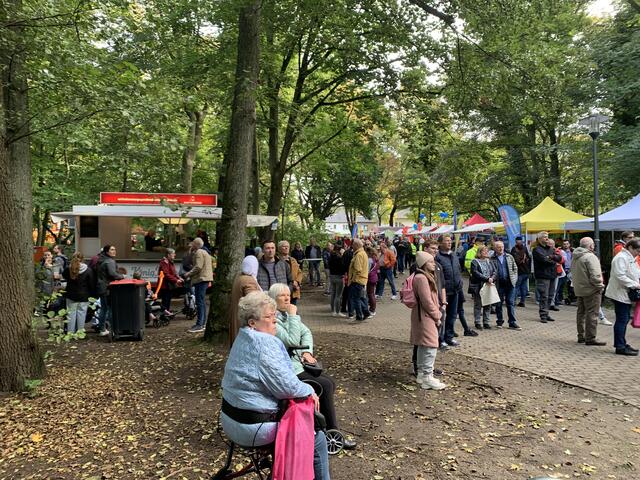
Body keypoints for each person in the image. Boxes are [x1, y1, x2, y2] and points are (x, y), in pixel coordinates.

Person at [220, 292, 330, 479]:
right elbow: (287, 387)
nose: (275, 320)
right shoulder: (264, 343)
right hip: (252, 427)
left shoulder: (242, 337)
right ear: (252, 322)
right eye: (269, 316)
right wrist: (309, 390)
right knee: (317, 438)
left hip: (229, 419)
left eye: (275, 314)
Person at [269, 284, 356, 450]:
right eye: (282, 296)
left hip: (298, 364)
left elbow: (306, 332)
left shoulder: (286, 316)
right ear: (273, 299)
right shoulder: (274, 321)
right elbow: (293, 340)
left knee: (329, 382)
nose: (287, 298)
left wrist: (307, 352)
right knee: (325, 385)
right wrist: (293, 316)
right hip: (289, 370)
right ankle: (331, 432)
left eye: (288, 295)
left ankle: (318, 426)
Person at [410, 251, 446, 390]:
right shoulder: (422, 278)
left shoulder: (424, 276)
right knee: (431, 346)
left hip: (423, 316)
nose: (434, 264)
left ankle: (422, 375)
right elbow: (427, 301)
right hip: (425, 316)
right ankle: (427, 377)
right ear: (424, 264)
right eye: (430, 262)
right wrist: (437, 315)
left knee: (423, 345)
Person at [605, 238, 640, 356]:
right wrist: (635, 284)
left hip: (625, 293)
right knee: (622, 319)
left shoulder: (630, 258)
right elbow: (620, 275)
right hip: (619, 294)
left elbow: (635, 272)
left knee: (624, 319)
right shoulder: (621, 258)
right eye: (637, 250)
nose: (638, 253)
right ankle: (620, 346)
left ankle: (622, 343)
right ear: (630, 247)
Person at [572, 237, 606, 346]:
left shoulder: (575, 256)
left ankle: (581, 335)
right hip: (591, 290)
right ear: (591, 246)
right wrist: (600, 286)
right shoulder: (591, 257)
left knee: (580, 313)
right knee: (592, 314)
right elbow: (595, 275)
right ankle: (590, 337)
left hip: (579, 288)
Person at [435, 235, 464, 347]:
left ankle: (449, 337)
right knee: (441, 315)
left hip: (455, 290)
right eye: (446, 241)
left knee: (452, 315)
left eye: (450, 241)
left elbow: (458, 270)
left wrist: (460, 282)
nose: (449, 242)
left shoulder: (454, 255)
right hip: (443, 291)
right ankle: (440, 339)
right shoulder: (437, 257)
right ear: (440, 243)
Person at [229, 255, 262, 346]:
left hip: (237, 317)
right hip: (245, 321)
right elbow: (254, 301)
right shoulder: (249, 281)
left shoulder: (239, 277)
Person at [184, 238, 213, 333]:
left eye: (192, 243)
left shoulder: (199, 252)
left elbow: (198, 267)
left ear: (195, 244)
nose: (191, 245)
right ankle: (202, 323)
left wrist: (188, 274)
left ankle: (199, 324)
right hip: (204, 279)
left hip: (201, 279)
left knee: (199, 302)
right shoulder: (205, 252)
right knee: (202, 302)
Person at [62, 252, 95, 334]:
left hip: (71, 294)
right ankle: (80, 332)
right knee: (82, 314)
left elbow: (64, 276)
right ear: (83, 259)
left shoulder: (68, 269)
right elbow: (91, 283)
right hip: (84, 295)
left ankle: (70, 332)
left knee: (70, 314)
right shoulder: (88, 270)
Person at [532, 232, 562, 323]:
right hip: (543, 275)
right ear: (540, 239)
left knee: (550, 296)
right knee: (544, 296)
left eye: (547, 237)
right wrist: (553, 260)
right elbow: (544, 260)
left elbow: (559, 258)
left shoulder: (551, 249)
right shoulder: (537, 250)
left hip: (552, 275)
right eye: (545, 237)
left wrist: (551, 257)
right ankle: (543, 315)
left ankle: (547, 313)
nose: (547, 238)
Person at [95, 245, 125, 336]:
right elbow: (113, 274)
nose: (114, 251)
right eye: (112, 249)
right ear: (107, 251)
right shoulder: (109, 261)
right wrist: (122, 276)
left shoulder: (101, 260)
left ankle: (102, 329)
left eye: (114, 249)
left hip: (101, 287)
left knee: (104, 308)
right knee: (111, 308)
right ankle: (114, 329)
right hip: (108, 288)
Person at [491, 241, 521, 330]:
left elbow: (515, 268)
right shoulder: (492, 258)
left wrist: (514, 279)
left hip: (510, 283)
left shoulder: (509, 257)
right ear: (495, 248)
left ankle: (512, 322)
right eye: (498, 247)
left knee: (510, 303)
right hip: (498, 284)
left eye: (502, 246)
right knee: (498, 303)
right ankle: (499, 321)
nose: (501, 248)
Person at [469, 246, 496, 330]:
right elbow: (475, 273)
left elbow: (495, 271)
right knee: (478, 304)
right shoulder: (474, 261)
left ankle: (486, 322)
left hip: (488, 285)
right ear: (479, 252)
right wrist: (486, 279)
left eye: (487, 251)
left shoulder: (489, 261)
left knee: (488, 304)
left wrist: (492, 278)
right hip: (479, 286)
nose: (486, 253)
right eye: (484, 251)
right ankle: (477, 322)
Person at [347, 238, 370, 322]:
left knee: (356, 299)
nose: (352, 247)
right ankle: (365, 312)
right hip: (362, 280)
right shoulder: (363, 253)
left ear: (356, 245)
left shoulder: (359, 255)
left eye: (353, 245)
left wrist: (353, 279)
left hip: (358, 280)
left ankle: (360, 316)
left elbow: (358, 269)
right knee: (359, 298)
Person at [158, 248, 183, 316]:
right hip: (165, 285)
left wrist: (179, 277)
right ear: (168, 255)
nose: (175, 255)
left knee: (168, 300)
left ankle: (167, 314)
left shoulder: (170, 262)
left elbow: (174, 272)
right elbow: (166, 274)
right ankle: (164, 315)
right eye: (173, 253)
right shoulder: (164, 262)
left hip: (169, 285)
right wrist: (176, 280)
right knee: (165, 301)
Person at [278, 240, 303, 305]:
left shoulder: (293, 260)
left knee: (293, 308)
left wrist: (297, 282)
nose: (286, 248)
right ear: (279, 248)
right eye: (284, 246)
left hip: (293, 291)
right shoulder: (276, 260)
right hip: (282, 290)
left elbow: (299, 272)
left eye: (287, 246)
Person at [510, 236, 531, 307]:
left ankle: (514, 301)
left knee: (516, 287)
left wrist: (523, 260)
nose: (518, 242)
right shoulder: (524, 248)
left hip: (520, 271)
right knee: (523, 287)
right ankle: (522, 301)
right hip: (525, 271)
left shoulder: (514, 249)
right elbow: (528, 258)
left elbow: (515, 261)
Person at [328, 241, 347, 317]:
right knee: (338, 296)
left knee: (333, 294)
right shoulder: (339, 258)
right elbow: (343, 266)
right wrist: (342, 256)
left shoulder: (331, 256)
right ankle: (337, 311)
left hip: (332, 276)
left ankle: (333, 311)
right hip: (339, 277)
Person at [556, 239, 575, 306]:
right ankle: (559, 298)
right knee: (561, 285)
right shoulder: (560, 251)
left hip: (570, 270)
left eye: (567, 244)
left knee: (570, 285)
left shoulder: (572, 251)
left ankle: (570, 298)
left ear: (569, 244)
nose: (566, 245)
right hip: (563, 269)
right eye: (564, 244)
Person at [366, 246, 379, 317]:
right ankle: (372, 309)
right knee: (372, 294)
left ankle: (372, 310)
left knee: (370, 294)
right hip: (374, 277)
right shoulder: (375, 259)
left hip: (370, 278)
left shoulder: (370, 260)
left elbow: (367, 270)